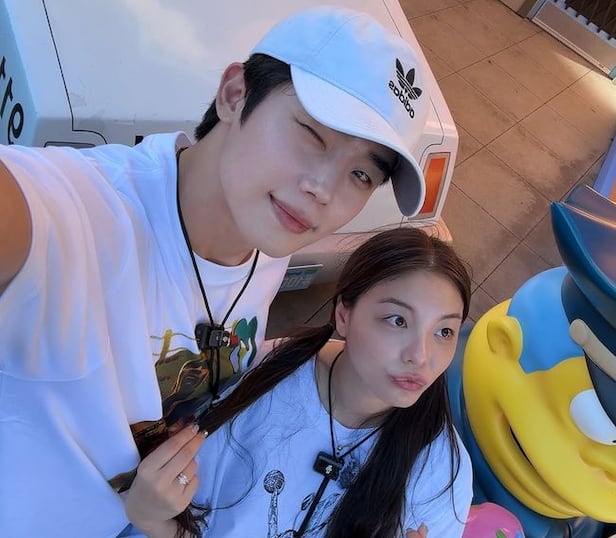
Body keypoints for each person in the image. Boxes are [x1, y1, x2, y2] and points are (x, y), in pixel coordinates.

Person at [0, 5, 434, 537]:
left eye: (362, 173)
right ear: (235, 94)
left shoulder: (267, 237)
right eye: (312, 133)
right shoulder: (80, 215)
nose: (323, 189)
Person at [125, 227, 474, 538]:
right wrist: (151, 518)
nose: (421, 356)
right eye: (397, 320)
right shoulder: (262, 379)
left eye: (444, 331)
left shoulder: (441, 474)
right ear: (344, 314)